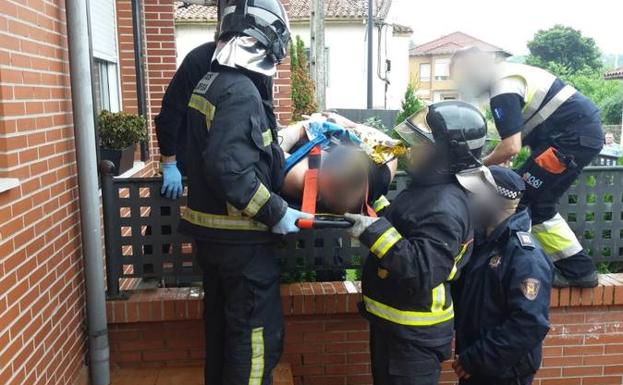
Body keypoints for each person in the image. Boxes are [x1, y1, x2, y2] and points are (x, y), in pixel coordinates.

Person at [177, 1, 310, 384]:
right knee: (253, 339)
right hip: (243, 246)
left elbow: (229, 150)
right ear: (268, 38)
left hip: (216, 240)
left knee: (222, 333)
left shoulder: (212, 81)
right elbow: (229, 168)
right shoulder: (240, 91)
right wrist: (274, 211)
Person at [344, 101, 489, 385]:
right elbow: (408, 226)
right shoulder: (430, 190)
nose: (411, 150)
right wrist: (376, 208)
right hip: (396, 328)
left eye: (423, 144)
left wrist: (373, 231)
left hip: (413, 338)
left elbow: (423, 269)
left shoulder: (445, 204)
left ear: (447, 154)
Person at [451, 46, 603, 288]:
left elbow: (510, 147)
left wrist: (475, 167)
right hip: (572, 138)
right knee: (537, 204)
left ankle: (513, 266)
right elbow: (513, 143)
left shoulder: (503, 85)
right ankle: (577, 268)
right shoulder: (507, 77)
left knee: (514, 200)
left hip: (570, 140)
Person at [452, 166, 553, 385]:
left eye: (475, 194)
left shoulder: (524, 255)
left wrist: (477, 359)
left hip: (504, 372)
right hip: (476, 365)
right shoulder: (482, 243)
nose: (469, 199)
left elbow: (529, 324)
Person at [278, 117, 398, 215]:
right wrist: (352, 126)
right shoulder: (381, 174)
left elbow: (271, 152)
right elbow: (395, 147)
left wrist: (304, 126)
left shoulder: (298, 176)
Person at [155, 42, 216, 199]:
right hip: (184, 151)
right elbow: (169, 116)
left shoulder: (253, 64)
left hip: (220, 154)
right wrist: (169, 164)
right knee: (166, 212)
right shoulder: (198, 61)